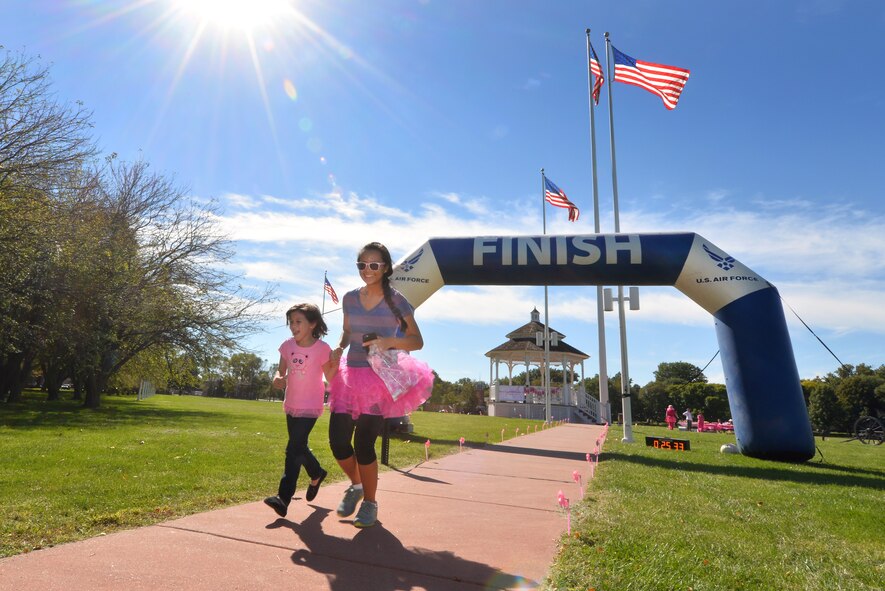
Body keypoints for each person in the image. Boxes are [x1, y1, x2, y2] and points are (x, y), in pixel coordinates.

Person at [327, 242, 434, 528]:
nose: (367, 270)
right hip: (349, 376)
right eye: (362, 265)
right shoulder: (349, 298)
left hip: (378, 379)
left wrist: (389, 341)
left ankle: (370, 505)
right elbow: (348, 331)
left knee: (363, 445)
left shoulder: (396, 300)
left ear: (385, 267)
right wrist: (339, 348)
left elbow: (417, 340)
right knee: (338, 442)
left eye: (374, 265)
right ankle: (357, 485)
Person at [264, 303, 338, 518]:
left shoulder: (322, 349)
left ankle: (283, 498)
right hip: (292, 404)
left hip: (311, 406)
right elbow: (281, 371)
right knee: (299, 447)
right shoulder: (287, 346)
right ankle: (317, 473)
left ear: (312, 324)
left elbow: (331, 377)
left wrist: (335, 361)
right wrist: (277, 379)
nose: (293, 326)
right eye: (291, 322)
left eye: (298, 322)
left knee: (292, 449)